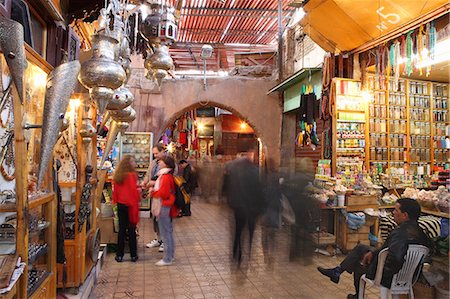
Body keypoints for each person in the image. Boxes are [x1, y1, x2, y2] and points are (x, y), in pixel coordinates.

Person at [317, 198, 432, 299]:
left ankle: (351, 288)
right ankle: (338, 272)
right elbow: (390, 249)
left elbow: (395, 258)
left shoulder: (399, 233)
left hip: (390, 276)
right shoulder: (421, 232)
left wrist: (376, 267)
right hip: (410, 277)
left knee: (360, 263)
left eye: (396, 210)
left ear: (405, 215)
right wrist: (375, 254)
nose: (393, 212)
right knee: (362, 249)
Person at [222, 154, 265, 265]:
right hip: (251, 208)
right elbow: (259, 190)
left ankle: (237, 252)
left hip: (238, 207)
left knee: (238, 231)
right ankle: (249, 251)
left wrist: (231, 203)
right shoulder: (255, 171)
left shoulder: (235, 173)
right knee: (250, 231)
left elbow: (228, 189)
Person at [150, 155, 178, 266]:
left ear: (165, 164)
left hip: (164, 206)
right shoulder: (166, 175)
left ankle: (167, 258)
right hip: (167, 206)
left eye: (161, 161)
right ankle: (170, 256)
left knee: (165, 233)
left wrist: (153, 193)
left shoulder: (165, 176)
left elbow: (164, 193)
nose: (159, 162)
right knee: (168, 232)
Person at [112, 155, 141, 262]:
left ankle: (119, 255)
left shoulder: (118, 176)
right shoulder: (132, 175)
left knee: (122, 230)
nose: (135, 163)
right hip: (130, 206)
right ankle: (133, 255)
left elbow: (115, 192)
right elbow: (134, 191)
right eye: (133, 161)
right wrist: (139, 198)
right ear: (128, 164)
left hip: (121, 205)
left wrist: (115, 202)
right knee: (132, 231)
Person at [143, 144, 166, 251]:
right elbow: (148, 173)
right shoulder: (153, 163)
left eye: (157, 153)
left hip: (163, 196)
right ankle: (159, 239)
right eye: (154, 154)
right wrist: (145, 181)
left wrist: (153, 183)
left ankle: (165, 241)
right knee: (155, 217)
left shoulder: (167, 162)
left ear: (162, 151)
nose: (155, 155)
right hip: (154, 194)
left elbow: (167, 178)